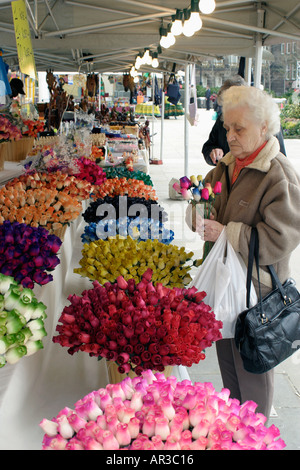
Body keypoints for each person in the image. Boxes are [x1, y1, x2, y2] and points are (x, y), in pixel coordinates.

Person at [187, 85, 300, 418]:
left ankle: (255, 437)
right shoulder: (225, 166)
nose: (230, 136)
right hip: (223, 283)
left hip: (256, 293)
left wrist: (228, 232)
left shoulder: (278, 175)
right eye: (226, 127)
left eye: (239, 129)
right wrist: (196, 212)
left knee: (252, 377)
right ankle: (231, 433)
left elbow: (281, 239)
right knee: (228, 373)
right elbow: (203, 196)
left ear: (264, 129)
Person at [202, 76, 286, 165]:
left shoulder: (265, 119)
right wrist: (212, 152)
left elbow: (280, 158)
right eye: (227, 129)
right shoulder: (223, 119)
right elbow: (208, 146)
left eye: (239, 129)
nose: (229, 137)